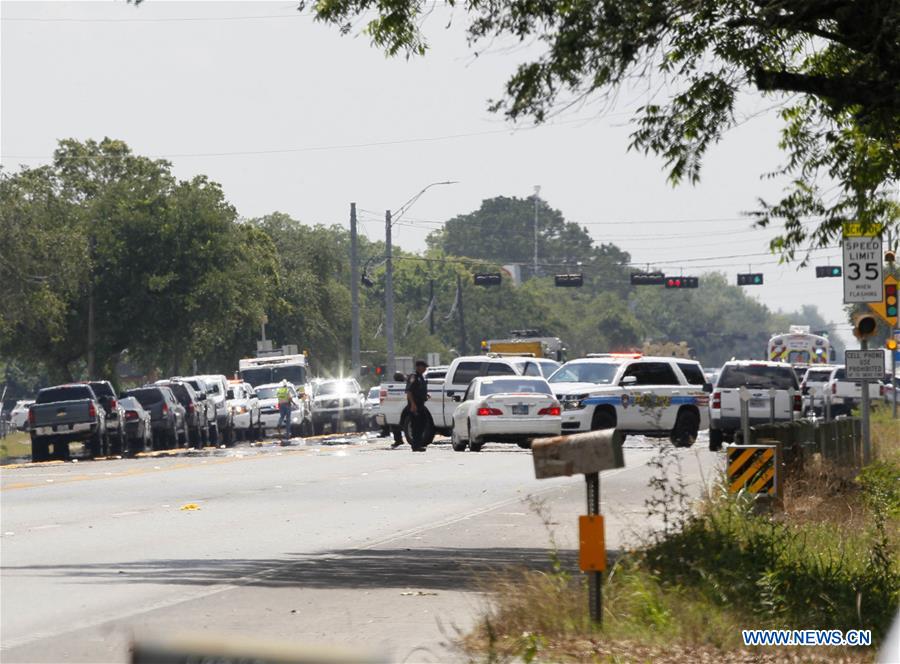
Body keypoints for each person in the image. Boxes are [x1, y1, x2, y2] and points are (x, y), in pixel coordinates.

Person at [405, 360, 429, 452]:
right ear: (419, 367)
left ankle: (418, 444)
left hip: (420, 404)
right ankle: (416, 446)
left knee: (422, 423)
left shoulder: (420, 377)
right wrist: (413, 404)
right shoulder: (413, 377)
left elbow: (419, 390)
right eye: (424, 367)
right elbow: (409, 391)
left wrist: (425, 395)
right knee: (416, 425)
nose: (425, 369)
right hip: (415, 405)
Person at [391, 372, 406, 448]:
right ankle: (399, 440)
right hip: (406, 408)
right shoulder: (407, 385)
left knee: (395, 425)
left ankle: (398, 440)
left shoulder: (393, 387)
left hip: (397, 410)